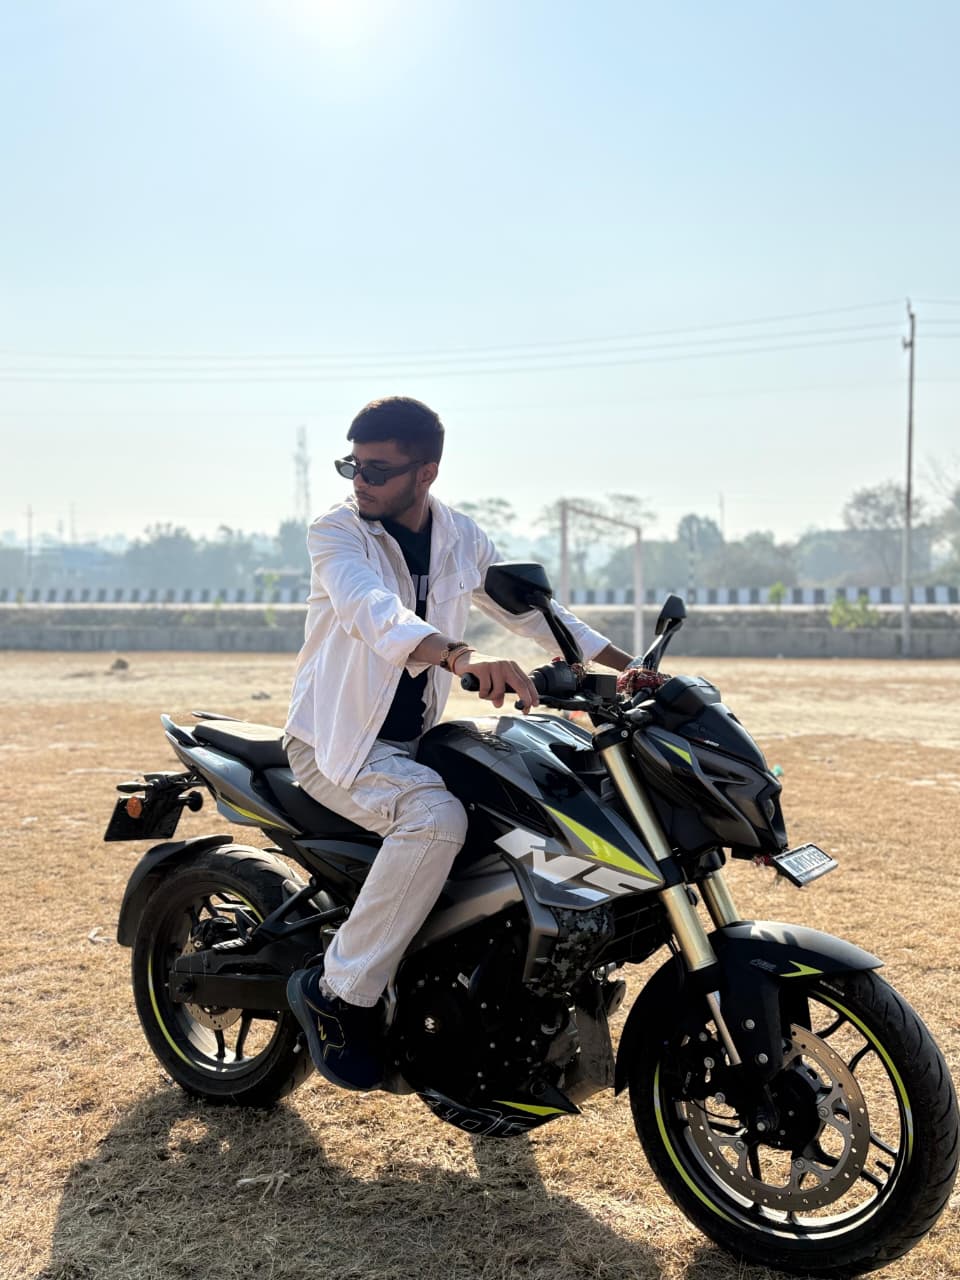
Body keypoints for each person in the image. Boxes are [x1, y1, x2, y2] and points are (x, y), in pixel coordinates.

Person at [284, 396, 633, 1090]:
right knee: (435, 818)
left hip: (413, 742)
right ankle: (338, 992)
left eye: (377, 469)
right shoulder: (338, 531)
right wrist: (460, 657)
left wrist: (629, 670)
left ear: (426, 472)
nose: (360, 480)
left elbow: (535, 615)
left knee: (527, 799)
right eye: (352, 465)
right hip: (337, 745)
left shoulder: (460, 537)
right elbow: (371, 612)